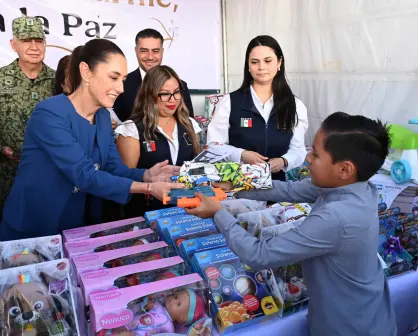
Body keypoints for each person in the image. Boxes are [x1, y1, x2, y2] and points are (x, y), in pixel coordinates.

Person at [188, 112, 397, 336]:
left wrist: (218, 212)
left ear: (344, 169)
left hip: (349, 326)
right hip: (366, 311)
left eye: (315, 154)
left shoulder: (336, 217)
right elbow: (289, 189)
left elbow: (259, 255)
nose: (307, 158)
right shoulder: (358, 187)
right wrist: (235, 185)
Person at [0, 39, 182, 241]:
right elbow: (84, 174)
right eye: (113, 77)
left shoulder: (103, 116)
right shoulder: (50, 113)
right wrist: (148, 188)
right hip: (34, 226)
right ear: (86, 72)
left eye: (122, 79)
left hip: (76, 226)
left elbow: (113, 168)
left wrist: (147, 175)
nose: (121, 88)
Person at [206, 35, 308, 181]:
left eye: (268, 61)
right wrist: (241, 154)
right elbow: (213, 146)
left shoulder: (295, 105)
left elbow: (298, 149)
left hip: (277, 189)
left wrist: (283, 161)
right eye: (255, 62)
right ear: (248, 65)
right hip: (238, 188)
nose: (261, 67)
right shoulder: (229, 102)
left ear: (279, 62)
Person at [115, 65, 201, 217]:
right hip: (146, 214)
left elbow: (198, 166)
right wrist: (148, 177)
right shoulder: (131, 129)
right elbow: (124, 178)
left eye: (176, 92)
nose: (172, 100)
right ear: (149, 95)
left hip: (189, 213)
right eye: (165, 94)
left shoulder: (189, 124)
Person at [0, 16, 55, 218]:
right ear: (14, 44)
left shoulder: (58, 81)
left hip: (49, 174)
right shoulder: (1, 79)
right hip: (8, 176)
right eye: (26, 40)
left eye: (39, 40)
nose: (34, 46)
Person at [113, 28, 194, 122]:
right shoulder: (122, 84)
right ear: (136, 51)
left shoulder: (181, 86)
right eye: (144, 51)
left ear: (162, 51)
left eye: (155, 51)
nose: (150, 57)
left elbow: (189, 124)